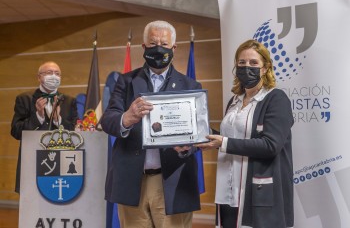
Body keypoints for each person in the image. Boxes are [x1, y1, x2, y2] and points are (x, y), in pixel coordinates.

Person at [100, 20, 202, 228]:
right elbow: (108, 120)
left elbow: (200, 130)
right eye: (153, 43)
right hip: (131, 180)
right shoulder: (126, 81)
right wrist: (126, 118)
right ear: (143, 47)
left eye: (164, 44)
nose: (158, 48)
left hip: (172, 180)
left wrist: (189, 146)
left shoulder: (190, 86)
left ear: (174, 48)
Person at [196, 39, 294, 228]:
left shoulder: (275, 99)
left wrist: (223, 143)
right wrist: (204, 134)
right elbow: (233, 137)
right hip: (228, 191)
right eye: (241, 63)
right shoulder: (234, 100)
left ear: (265, 68)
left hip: (258, 194)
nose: (246, 67)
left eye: (253, 63)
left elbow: (270, 145)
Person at [11, 61, 78, 193]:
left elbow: (75, 132)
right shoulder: (24, 99)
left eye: (57, 74)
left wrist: (58, 120)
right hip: (32, 163)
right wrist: (38, 117)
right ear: (39, 77)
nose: (54, 76)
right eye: (49, 73)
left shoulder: (69, 101)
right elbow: (15, 131)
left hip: (61, 163)